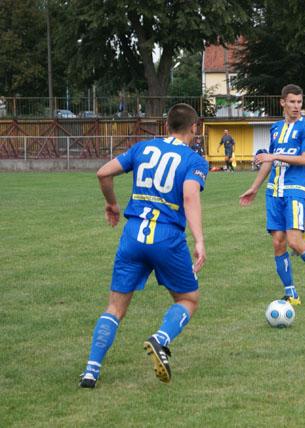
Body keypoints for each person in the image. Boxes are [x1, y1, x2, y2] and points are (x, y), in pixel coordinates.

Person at [78, 103, 209, 388]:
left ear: (166, 126)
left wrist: (112, 204)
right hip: (167, 239)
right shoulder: (194, 160)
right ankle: (160, 339)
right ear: (194, 128)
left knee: (115, 307)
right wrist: (199, 239)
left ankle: (91, 371)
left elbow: (103, 173)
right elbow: (189, 197)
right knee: (188, 299)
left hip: (133, 235)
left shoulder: (142, 148)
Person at [239, 84, 305, 306]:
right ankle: (291, 293)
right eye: (292, 102)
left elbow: (304, 159)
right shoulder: (275, 128)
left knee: (294, 240)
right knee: (278, 242)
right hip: (274, 191)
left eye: (299, 102)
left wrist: (274, 156)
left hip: (295, 190)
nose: (296, 106)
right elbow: (268, 161)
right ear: (282, 102)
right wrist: (254, 187)